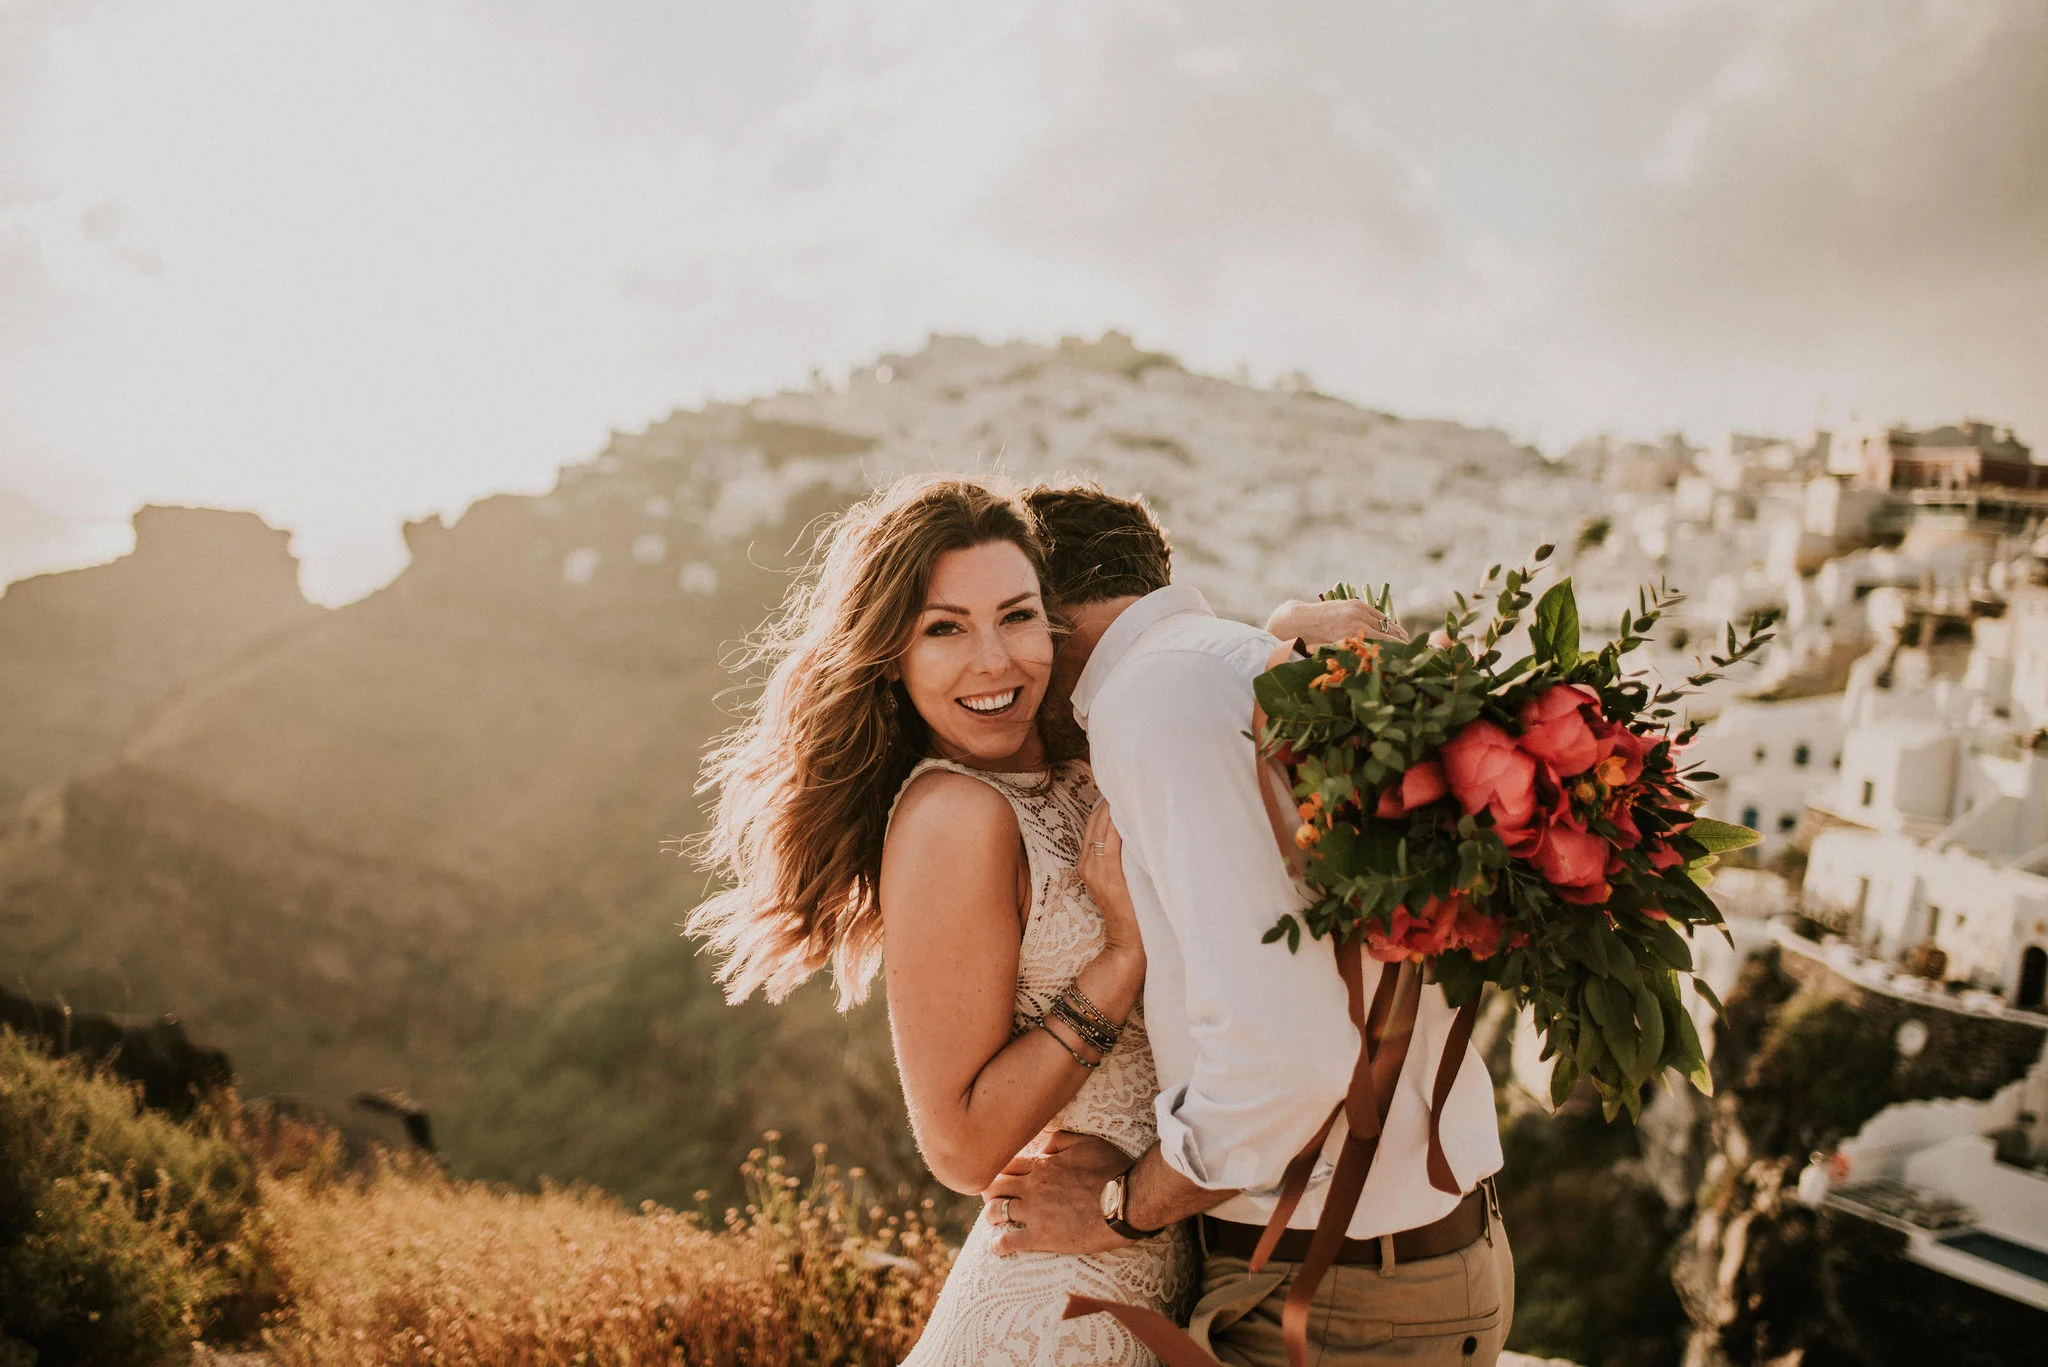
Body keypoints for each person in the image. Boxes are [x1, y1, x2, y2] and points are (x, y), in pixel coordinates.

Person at [691, 475, 1392, 1366]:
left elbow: (1186, 703)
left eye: (1017, 616)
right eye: (944, 628)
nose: (995, 661)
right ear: (891, 656)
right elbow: (961, 1144)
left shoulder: (1083, 751)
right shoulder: (952, 815)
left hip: (1151, 1265)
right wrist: (1120, 960)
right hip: (1051, 1307)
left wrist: (1282, 631)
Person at [983, 482, 1514, 1367]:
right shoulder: (1231, 660)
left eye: (1010, 618)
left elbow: (1290, 1058)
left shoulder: (1153, 707)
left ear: (1049, 611)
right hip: (1405, 1263)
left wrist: (1117, 1207)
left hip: (1336, 1299)